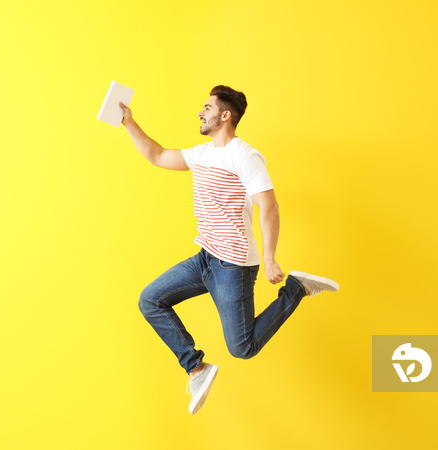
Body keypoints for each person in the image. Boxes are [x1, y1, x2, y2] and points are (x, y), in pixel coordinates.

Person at [119, 85, 339, 414]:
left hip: (233, 265)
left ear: (225, 115)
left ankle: (296, 288)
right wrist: (128, 123)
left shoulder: (244, 155)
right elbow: (158, 155)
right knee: (150, 300)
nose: (200, 112)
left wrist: (268, 257)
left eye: (207, 108)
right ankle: (197, 368)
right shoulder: (202, 154)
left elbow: (269, 207)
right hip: (205, 258)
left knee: (243, 348)